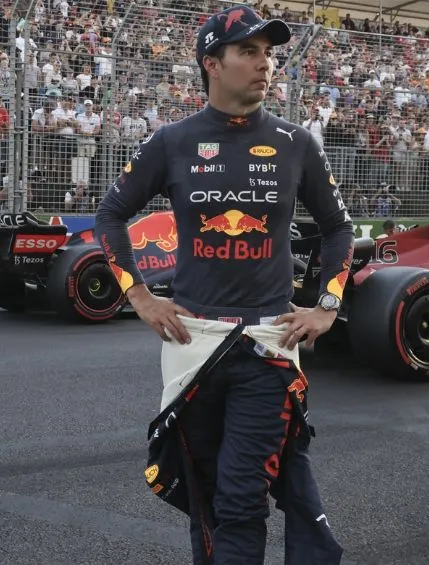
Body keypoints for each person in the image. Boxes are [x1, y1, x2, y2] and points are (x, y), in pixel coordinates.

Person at [93, 5, 352, 564]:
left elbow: (338, 230)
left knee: (242, 497)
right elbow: (110, 215)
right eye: (249, 52)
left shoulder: (296, 143)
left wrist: (326, 306)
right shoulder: (172, 141)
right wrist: (137, 295)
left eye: (269, 53)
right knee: (205, 493)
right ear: (213, 63)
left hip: (268, 346)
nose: (265, 65)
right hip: (192, 344)